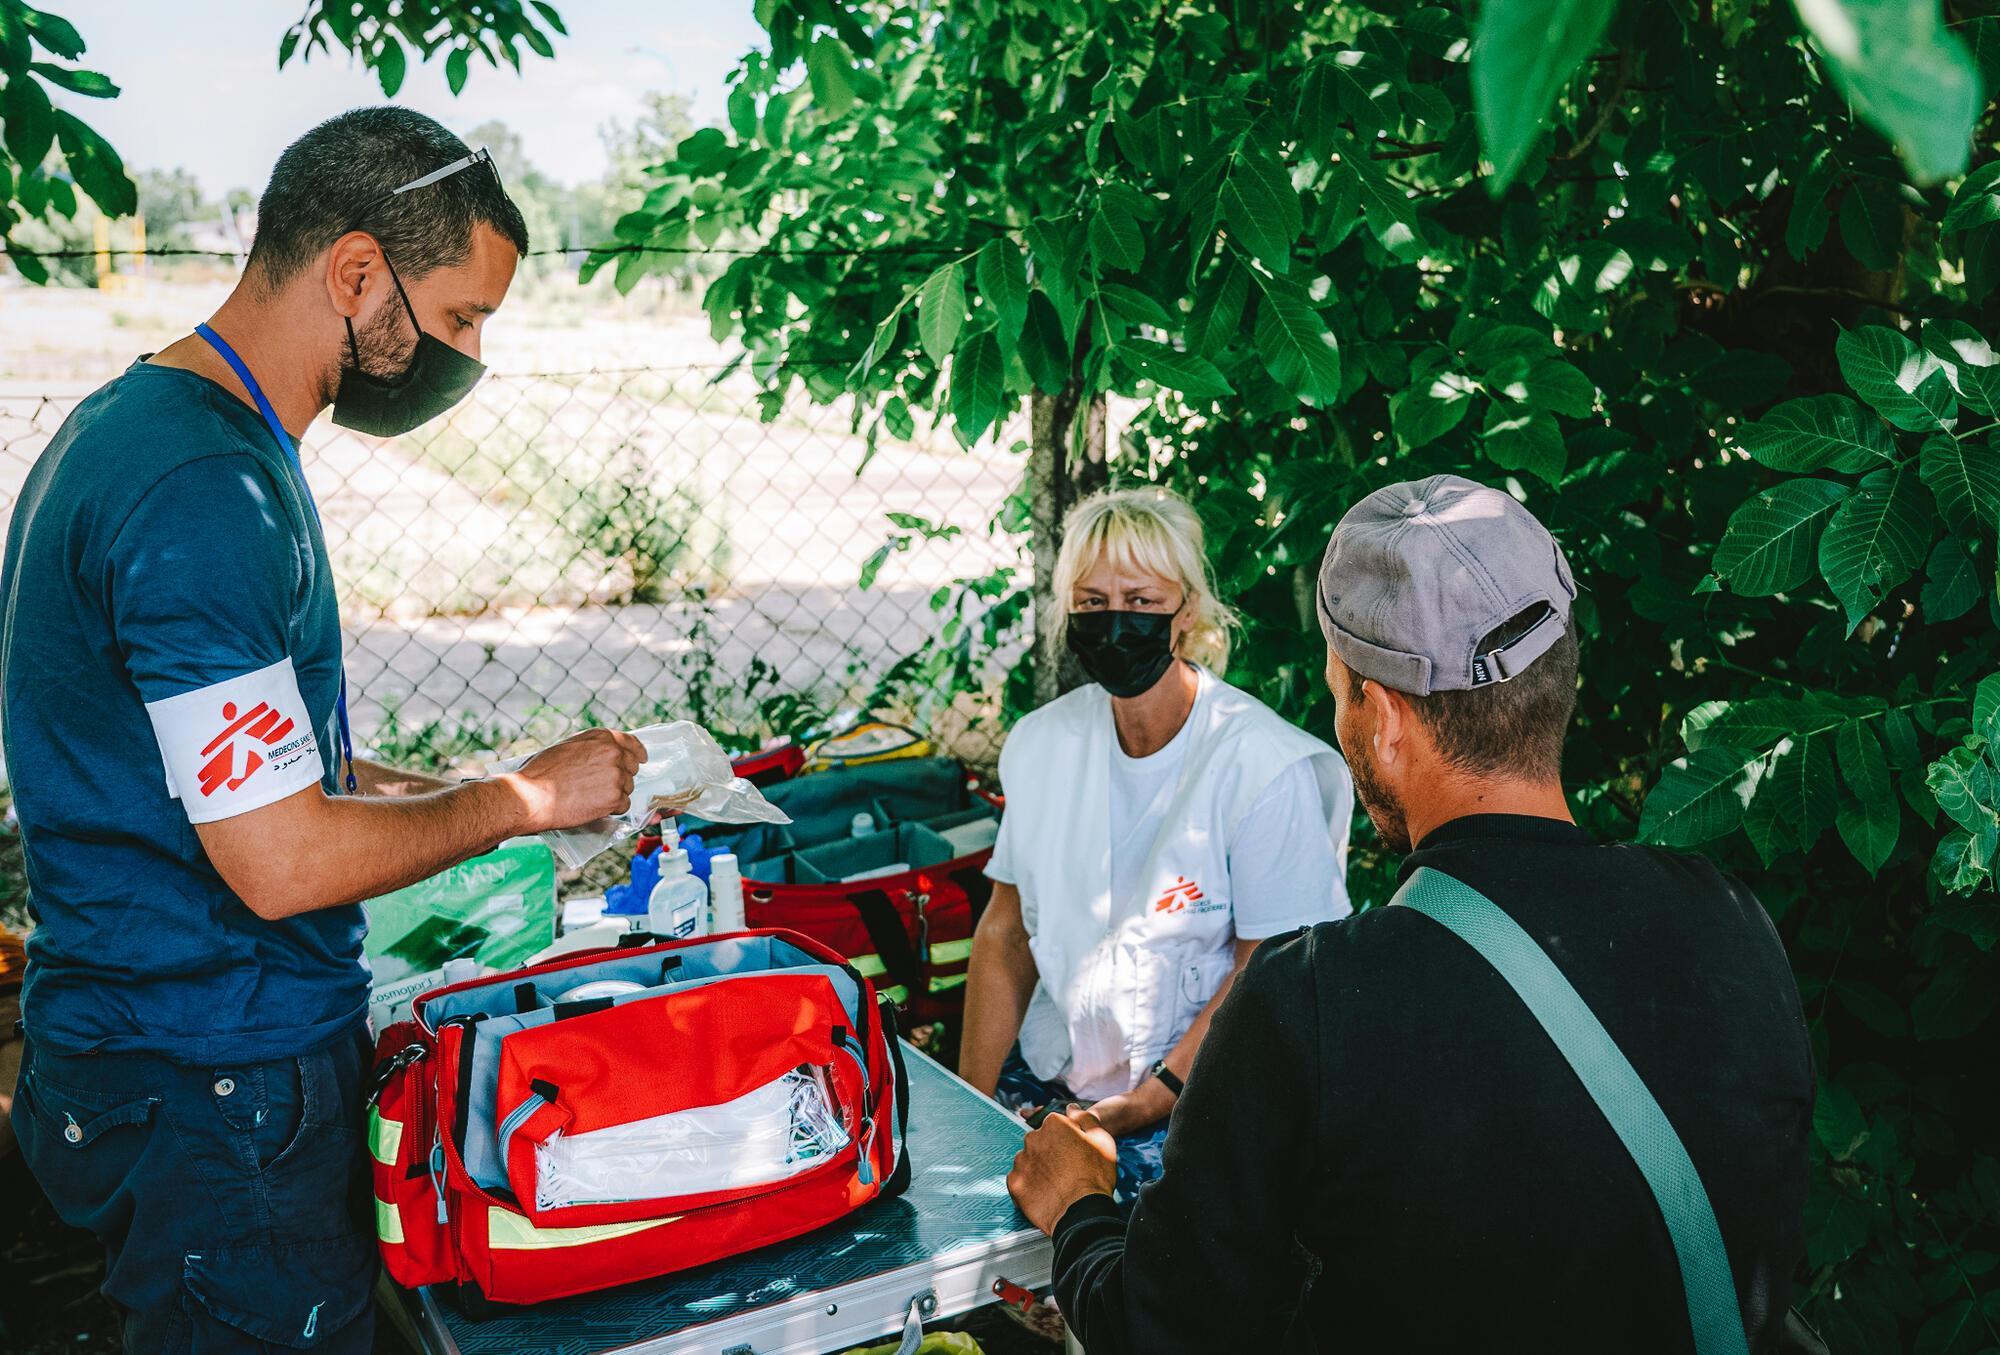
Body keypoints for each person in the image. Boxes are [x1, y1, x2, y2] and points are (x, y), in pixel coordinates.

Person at [0, 108, 644, 1353]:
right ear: (356, 272)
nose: (465, 356)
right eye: (460, 317)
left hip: (152, 1054)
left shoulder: (153, 430)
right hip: (214, 1081)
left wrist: (457, 785)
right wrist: (519, 802)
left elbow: (261, 759)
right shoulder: (205, 492)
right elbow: (280, 854)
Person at [1006, 474, 1814, 1352]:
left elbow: (1164, 1330)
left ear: (1383, 717)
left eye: (1340, 688)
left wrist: (1080, 1202)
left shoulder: (1311, 1001)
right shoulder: (1729, 918)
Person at [961, 486, 1353, 1202]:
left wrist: (1143, 1103)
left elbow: (1268, 974)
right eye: (1091, 601)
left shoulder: (1261, 768)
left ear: (1187, 611)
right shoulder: (1042, 745)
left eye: (1141, 602)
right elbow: (1005, 932)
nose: (1115, 622)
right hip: (1058, 1078)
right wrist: (966, 1110)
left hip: (1199, 1102)